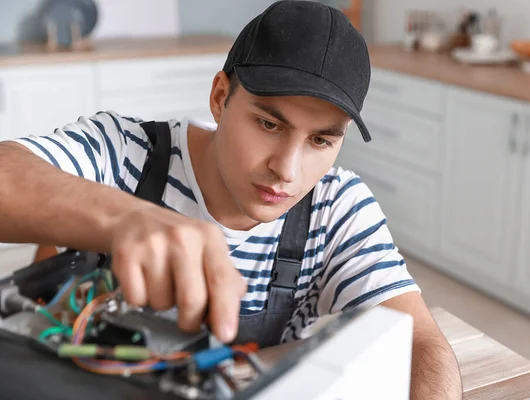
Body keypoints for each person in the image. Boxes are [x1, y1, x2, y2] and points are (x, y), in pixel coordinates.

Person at [0, 1, 461, 397]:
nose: (287, 169)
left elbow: (419, 344)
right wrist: (125, 218)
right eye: (269, 124)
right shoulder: (125, 154)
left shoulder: (336, 209)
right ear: (221, 97)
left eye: (320, 141)